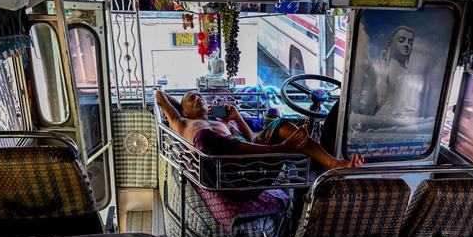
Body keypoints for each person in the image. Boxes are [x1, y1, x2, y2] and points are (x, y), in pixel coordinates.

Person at [154, 90, 363, 169]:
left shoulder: (222, 122)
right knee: (208, 138)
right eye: (191, 98)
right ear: (184, 111)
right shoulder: (182, 123)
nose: (197, 97)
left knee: (282, 125)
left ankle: (333, 163)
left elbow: (251, 139)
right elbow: (159, 95)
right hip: (231, 162)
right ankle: (285, 149)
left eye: (200, 96)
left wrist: (236, 117)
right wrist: (182, 110)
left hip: (250, 151)